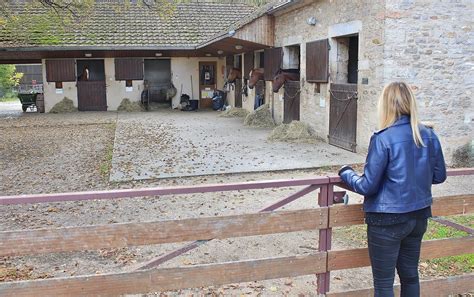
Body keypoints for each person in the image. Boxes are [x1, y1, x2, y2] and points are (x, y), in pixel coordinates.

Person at [338, 81, 447, 297]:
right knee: (410, 276)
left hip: (386, 221)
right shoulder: (428, 134)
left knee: (384, 283)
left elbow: (368, 185)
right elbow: (439, 176)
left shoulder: (383, 138)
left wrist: (346, 173)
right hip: (418, 217)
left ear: (385, 105)